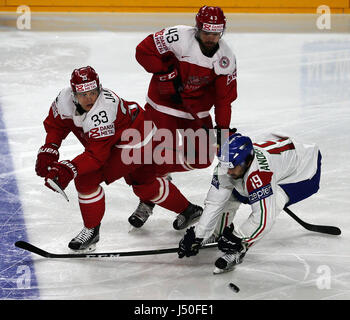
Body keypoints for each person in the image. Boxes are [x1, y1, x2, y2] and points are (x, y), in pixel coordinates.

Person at [35, 66, 203, 252]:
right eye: (83, 94)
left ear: (99, 88)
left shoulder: (103, 110)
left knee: (86, 179)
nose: (89, 98)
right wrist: (50, 148)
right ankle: (189, 210)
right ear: (73, 94)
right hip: (133, 131)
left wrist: (68, 168)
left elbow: (96, 156)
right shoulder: (63, 99)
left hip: (135, 141)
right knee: (144, 185)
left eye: (93, 92)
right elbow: (56, 125)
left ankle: (91, 232)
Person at [177, 132, 322, 273]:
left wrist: (238, 237)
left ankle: (240, 249)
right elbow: (215, 202)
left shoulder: (260, 174)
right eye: (226, 166)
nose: (228, 171)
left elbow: (264, 219)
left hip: (303, 170)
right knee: (230, 192)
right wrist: (199, 234)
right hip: (281, 158)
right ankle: (217, 232)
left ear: (247, 161)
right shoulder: (228, 165)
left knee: (275, 200)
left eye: (233, 167)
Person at [135, 5, 238, 173]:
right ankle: (155, 174)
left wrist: (222, 128)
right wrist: (164, 72)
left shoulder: (226, 58)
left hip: (195, 111)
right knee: (158, 152)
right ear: (197, 29)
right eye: (206, 33)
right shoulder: (177, 36)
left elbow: (224, 99)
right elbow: (143, 51)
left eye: (216, 34)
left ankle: (158, 169)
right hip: (163, 104)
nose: (211, 39)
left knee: (203, 158)